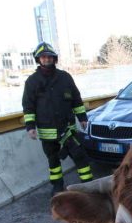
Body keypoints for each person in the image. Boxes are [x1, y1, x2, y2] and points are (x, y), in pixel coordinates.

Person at [22, 42, 94, 197]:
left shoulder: (65, 77)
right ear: (39, 59)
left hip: (67, 130)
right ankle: (58, 187)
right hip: (48, 133)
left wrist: (82, 117)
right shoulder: (32, 82)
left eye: (49, 56)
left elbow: (76, 99)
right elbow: (28, 106)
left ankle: (89, 187)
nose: (46, 59)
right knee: (53, 162)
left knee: (80, 157)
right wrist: (30, 127)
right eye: (43, 57)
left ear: (54, 59)